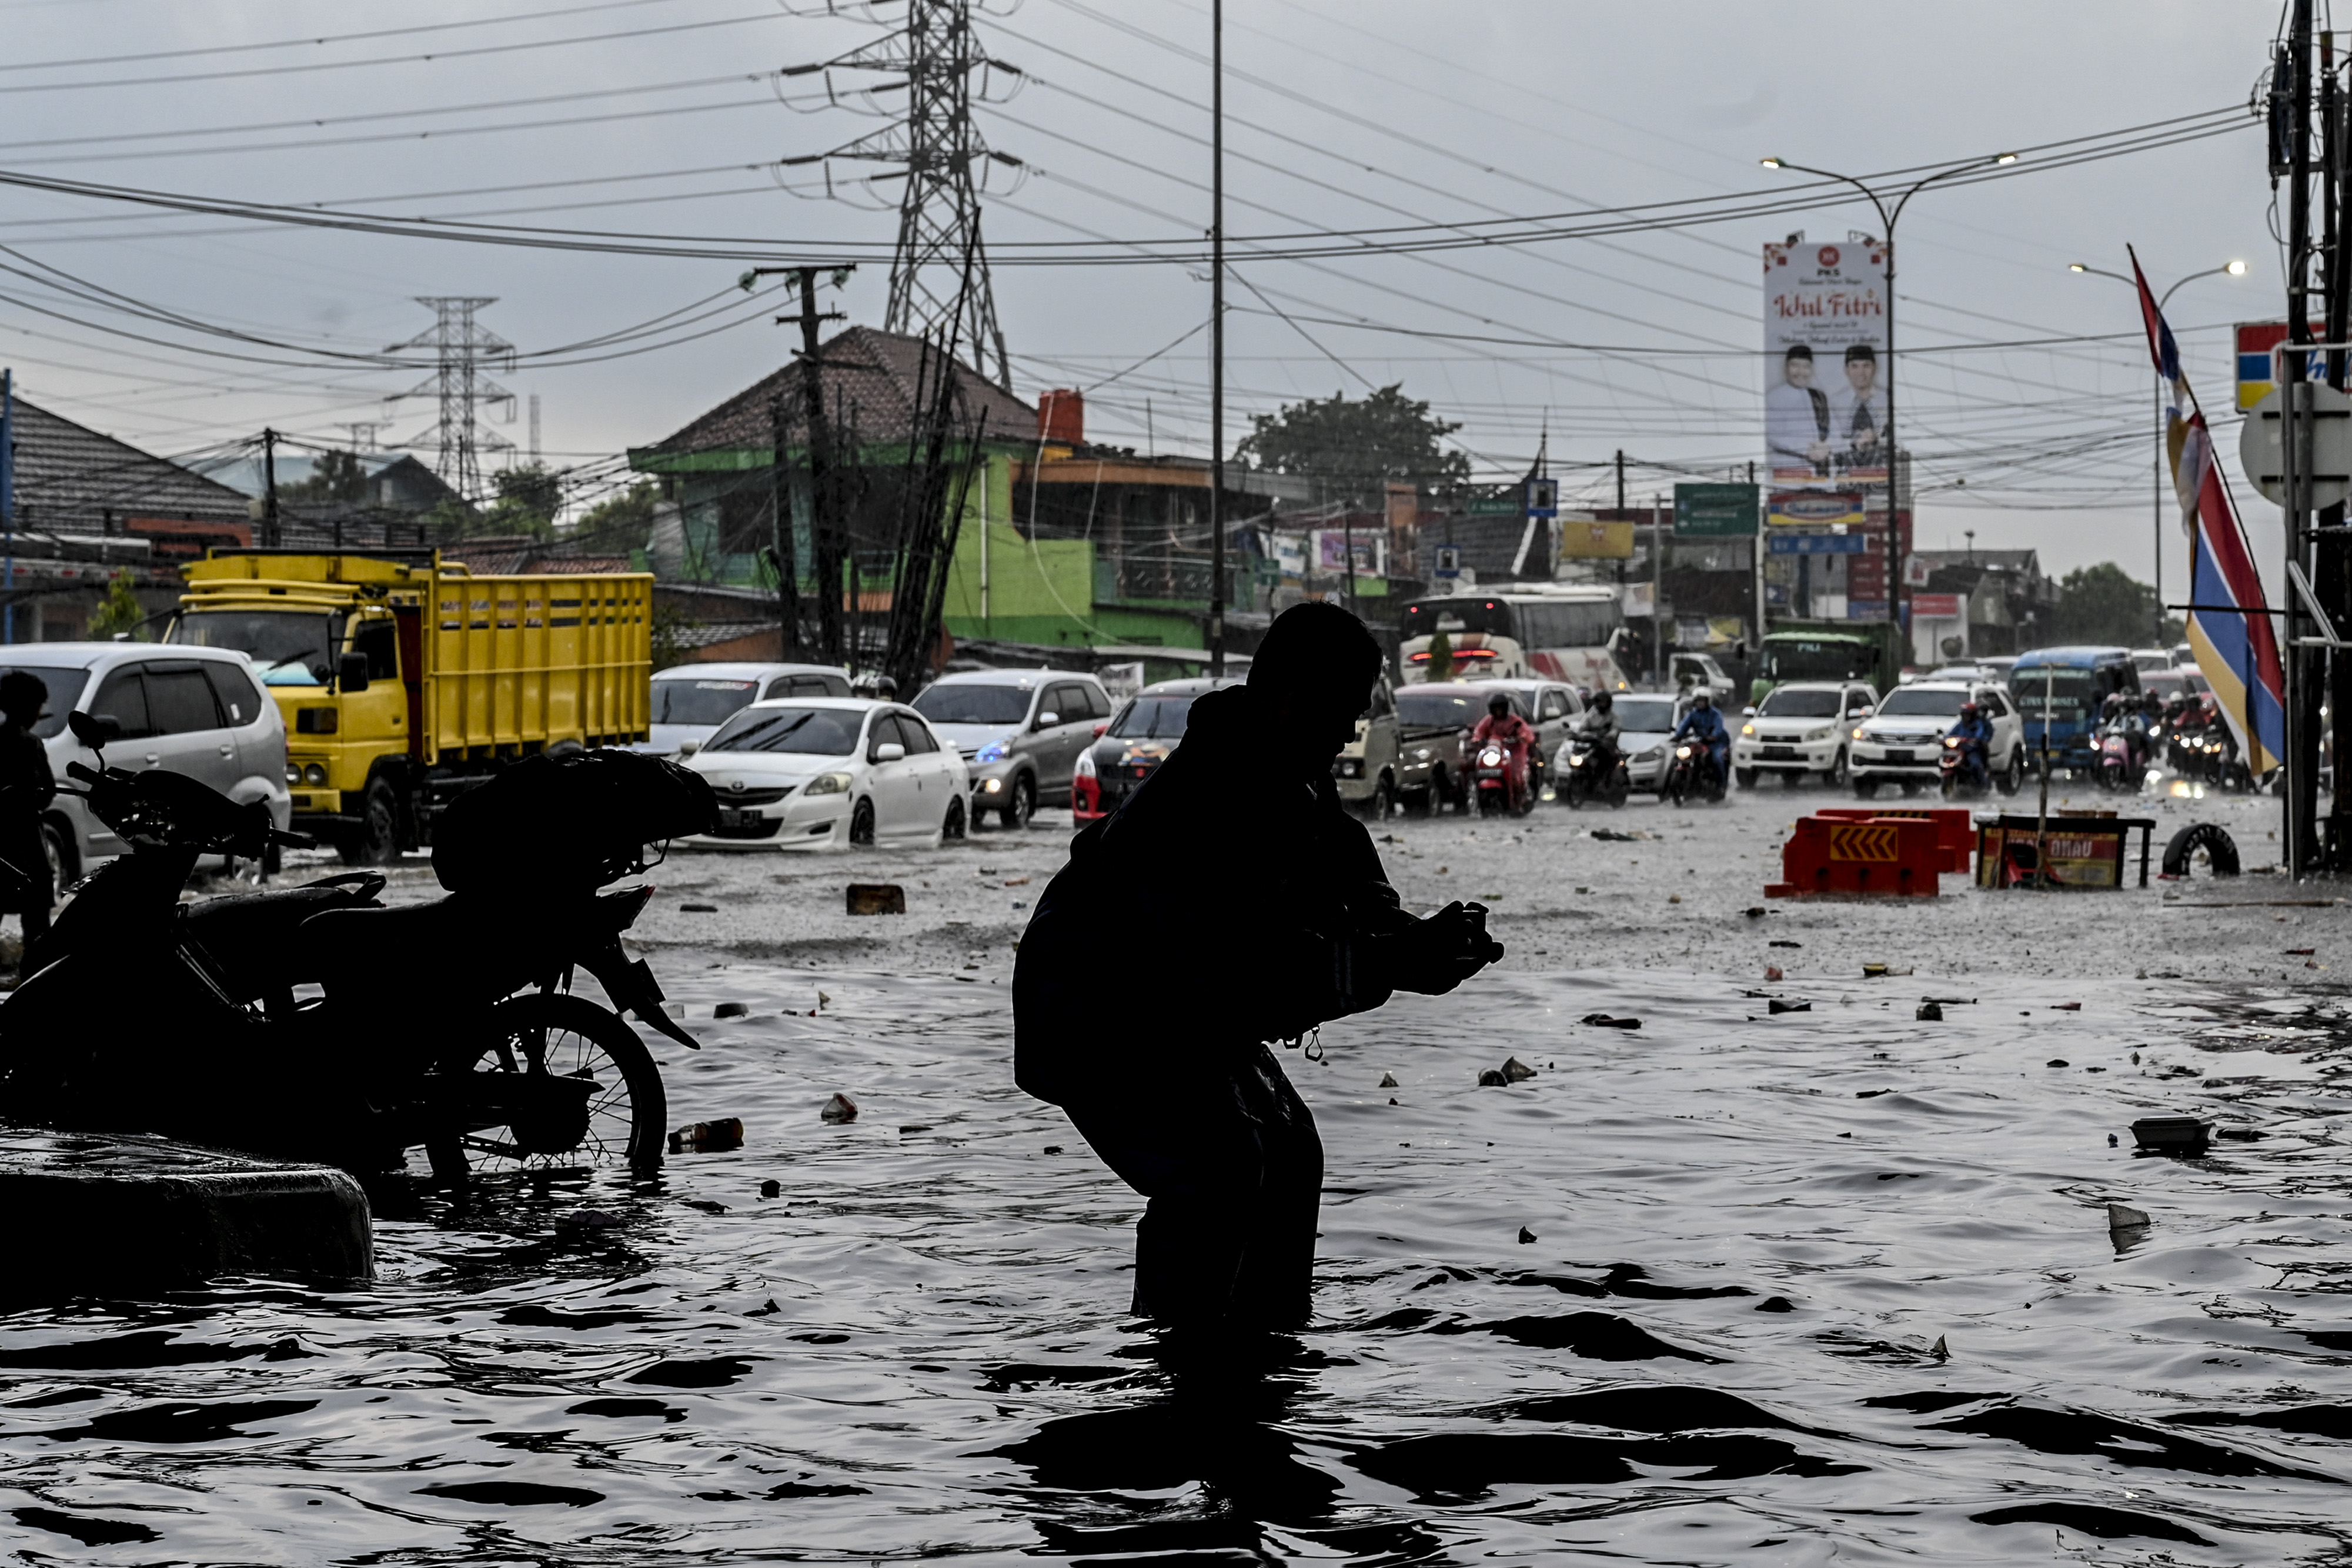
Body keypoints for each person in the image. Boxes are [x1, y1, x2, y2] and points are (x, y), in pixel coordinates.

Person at [1013, 601, 1504, 1341]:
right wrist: (1391, 962)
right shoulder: (1200, 800)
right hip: (1094, 1011)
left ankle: (1269, 1346)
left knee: (1292, 1151)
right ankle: (1182, 1363)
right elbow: (1247, 968)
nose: (1349, 732)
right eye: (1343, 712)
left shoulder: (1297, 773)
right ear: (1291, 701)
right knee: (1218, 1171)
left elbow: (1352, 888)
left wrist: (1419, 940)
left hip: (1185, 1006)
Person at [0, 671, 55, 975]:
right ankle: (37, 977)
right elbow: (46, 792)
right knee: (36, 923)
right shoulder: (30, 744)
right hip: (28, 847)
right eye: (37, 706)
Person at [1765, 344, 1833, 475]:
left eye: (1806, 367)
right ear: (1786, 368)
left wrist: (1827, 447)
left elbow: (1835, 431)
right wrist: (1807, 450)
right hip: (1787, 472)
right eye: (1795, 366)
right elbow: (1773, 435)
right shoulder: (1773, 396)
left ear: (1812, 370)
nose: (1801, 372)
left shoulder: (1818, 396)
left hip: (1819, 474)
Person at [1468, 690, 1538, 811]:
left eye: (1500, 708)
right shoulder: (1488, 721)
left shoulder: (1515, 721)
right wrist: (1477, 740)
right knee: (1474, 766)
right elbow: (1479, 732)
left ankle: (1523, 796)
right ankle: (1474, 799)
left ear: (1505, 708)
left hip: (1514, 753)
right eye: (1496, 708)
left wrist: (1521, 737)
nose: (1498, 711)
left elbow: (1526, 731)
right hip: (1494, 753)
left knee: (1517, 774)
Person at [1835, 343, 1885, 469]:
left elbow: (1895, 437)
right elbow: (1831, 441)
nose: (1861, 372)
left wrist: (1875, 439)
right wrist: (1855, 441)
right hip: (1845, 471)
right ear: (1846, 370)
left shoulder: (1886, 399)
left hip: (1880, 471)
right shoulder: (1835, 402)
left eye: (1866, 366)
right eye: (1855, 366)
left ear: (1874, 369)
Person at [1669, 689, 1730, 787]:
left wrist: (1713, 736)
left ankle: (1721, 785)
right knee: (1682, 756)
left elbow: (1718, 727)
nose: (1700, 703)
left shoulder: (1716, 714)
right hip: (1700, 742)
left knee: (1717, 758)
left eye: (1702, 700)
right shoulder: (1693, 714)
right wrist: (1677, 736)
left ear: (1708, 701)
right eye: (1698, 700)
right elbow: (1684, 726)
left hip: (1717, 742)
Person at [1946, 700, 1993, 789]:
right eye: (1964, 714)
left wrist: (1976, 739)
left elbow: (1980, 734)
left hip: (1971, 751)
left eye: (1968, 714)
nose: (1966, 717)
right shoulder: (1960, 725)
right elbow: (1950, 734)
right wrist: (1943, 739)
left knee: (1976, 765)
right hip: (1958, 751)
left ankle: (1982, 786)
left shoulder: (1978, 724)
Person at [1581, 690, 1623, 775]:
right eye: (1599, 702)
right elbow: (1582, 728)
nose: (1601, 705)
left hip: (1607, 746)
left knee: (1610, 760)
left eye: (1604, 702)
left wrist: (1609, 736)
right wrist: (1577, 734)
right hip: (1591, 745)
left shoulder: (1613, 716)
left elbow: (1615, 729)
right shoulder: (1591, 716)